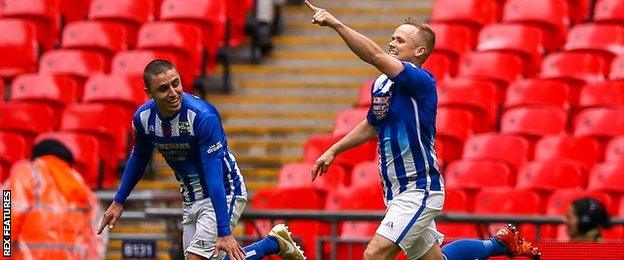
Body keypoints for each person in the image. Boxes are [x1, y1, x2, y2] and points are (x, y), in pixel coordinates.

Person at [304, 1, 541, 259]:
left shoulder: (420, 81)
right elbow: (374, 123)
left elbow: (374, 55)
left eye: (401, 40)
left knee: (374, 254)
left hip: (419, 188)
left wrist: (336, 24)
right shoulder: (382, 83)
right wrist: (334, 149)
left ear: (419, 51)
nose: (392, 43)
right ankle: (499, 244)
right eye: (392, 38)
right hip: (395, 190)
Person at [97, 60, 305, 260]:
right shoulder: (143, 119)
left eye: (175, 83)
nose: (172, 93)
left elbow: (213, 175)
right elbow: (140, 157)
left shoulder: (202, 116)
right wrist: (118, 201)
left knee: (197, 258)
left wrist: (224, 232)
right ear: (149, 93)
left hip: (224, 190)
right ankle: (273, 244)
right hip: (190, 197)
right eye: (163, 89)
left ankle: (271, 244)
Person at [2, 139, 105, 259]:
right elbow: (97, 238)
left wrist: (4, 255)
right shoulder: (83, 187)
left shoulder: (27, 174)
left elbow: (7, 217)